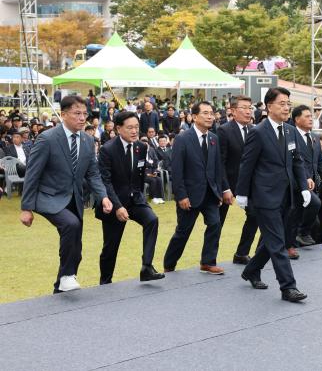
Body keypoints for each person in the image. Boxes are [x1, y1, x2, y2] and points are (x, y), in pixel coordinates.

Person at [20, 96, 113, 293]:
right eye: (77, 114)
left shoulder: (88, 141)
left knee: (75, 246)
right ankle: (67, 276)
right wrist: (26, 208)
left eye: (84, 114)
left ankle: (61, 286)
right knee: (71, 225)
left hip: (74, 199)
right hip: (47, 196)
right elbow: (32, 174)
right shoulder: (47, 138)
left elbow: (93, 173)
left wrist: (103, 196)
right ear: (63, 115)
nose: (82, 118)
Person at [236, 87, 310, 302]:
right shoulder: (258, 132)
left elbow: (297, 161)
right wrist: (242, 194)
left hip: (287, 195)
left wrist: (303, 187)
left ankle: (251, 270)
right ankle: (288, 287)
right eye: (282, 103)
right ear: (269, 107)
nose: (287, 107)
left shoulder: (290, 131)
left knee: (272, 240)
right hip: (265, 197)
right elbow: (246, 165)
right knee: (278, 243)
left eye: (288, 103)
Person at [96, 111, 164, 284]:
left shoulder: (142, 147)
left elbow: (139, 176)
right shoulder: (107, 150)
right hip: (113, 203)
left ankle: (147, 267)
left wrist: (139, 196)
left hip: (135, 200)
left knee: (152, 220)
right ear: (119, 129)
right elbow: (105, 182)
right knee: (111, 246)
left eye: (136, 127)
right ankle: (105, 281)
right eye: (130, 127)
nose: (134, 131)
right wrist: (118, 207)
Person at [163, 102, 227, 275]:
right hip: (189, 196)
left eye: (211, 113)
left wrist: (221, 190)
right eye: (205, 113)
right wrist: (181, 195)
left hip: (210, 194)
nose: (210, 117)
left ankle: (208, 262)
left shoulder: (214, 138)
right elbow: (176, 170)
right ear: (194, 117)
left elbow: (217, 167)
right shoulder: (183, 139)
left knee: (215, 225)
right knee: (183, 231)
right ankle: (169, 265)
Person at [217, 96, 259, 265]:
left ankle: (242, 253)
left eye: (250, 107)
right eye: (244, 107)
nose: (248, 111)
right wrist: (225, 188)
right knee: (217, 223)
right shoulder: (224, 130)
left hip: (249, 184)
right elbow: (219, 162)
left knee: (255, 214)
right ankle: (209, 260)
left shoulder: (254, 130)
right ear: (233, 111)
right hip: (228, 183)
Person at [287, 105, 322, 254]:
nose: (310, 119)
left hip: (312, 183)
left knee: (298, 214)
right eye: (307, 116)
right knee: (314, 204)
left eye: (311, 116)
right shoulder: (291, 135)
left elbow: (320, 161)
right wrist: (305, 178)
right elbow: (294, 161)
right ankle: (301, 234)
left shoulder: (314, 137)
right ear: (296, 119)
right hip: (295, 182)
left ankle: (293, 243)